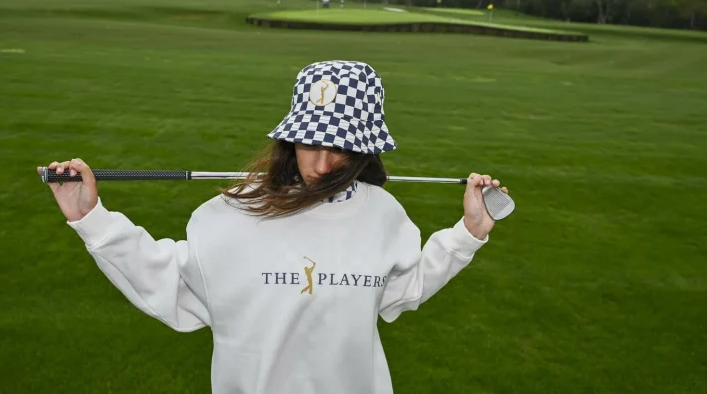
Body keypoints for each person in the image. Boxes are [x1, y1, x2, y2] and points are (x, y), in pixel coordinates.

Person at [38, 60, 508, 394]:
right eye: (309, 142)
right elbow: (171, 284)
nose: (321, 164)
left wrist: (468, 233)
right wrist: (90, 219)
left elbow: (402, 290)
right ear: (290, 140)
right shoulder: (230, 213)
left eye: (340, 147)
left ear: (365, 149)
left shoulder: (385, 214)